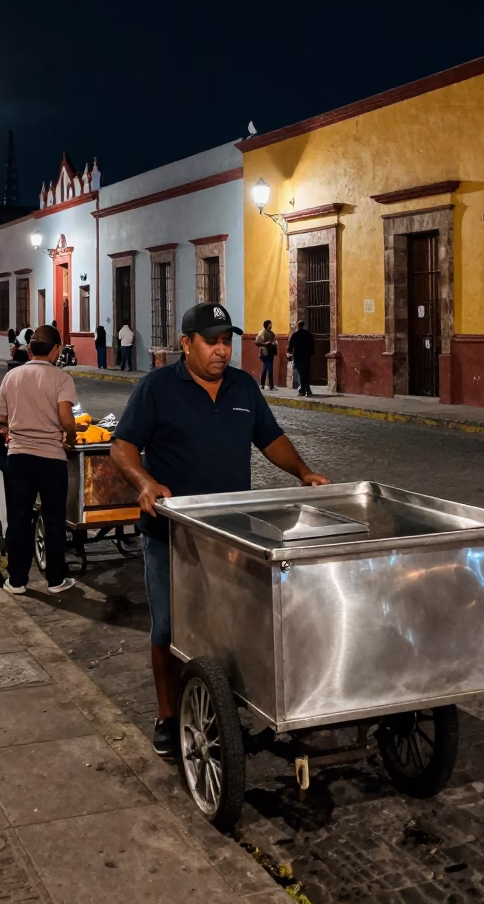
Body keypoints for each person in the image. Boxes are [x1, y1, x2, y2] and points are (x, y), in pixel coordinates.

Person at [111, 301, 330, 759]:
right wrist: (146, 483)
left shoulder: (243, 386)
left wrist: (303, 473)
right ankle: (168, 716)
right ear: (186, 344)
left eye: (227, 341)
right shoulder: (156, 388)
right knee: (169, 628)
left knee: (230, 628)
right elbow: (123, 445)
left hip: (230, 535)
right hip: (169, 534)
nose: (222, 350)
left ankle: (220, 713)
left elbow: (270, 438)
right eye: (212, 341)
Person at [0, 325, 77, 595]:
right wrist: (72, 434)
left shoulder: (12, 376)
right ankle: (55, 580)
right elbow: (66, 418)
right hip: (51, 458)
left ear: (30, 349)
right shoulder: (61, 378)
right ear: (56, 349)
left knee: (19, 518)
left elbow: (0, 417)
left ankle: (16, 580)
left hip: (18, 457)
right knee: (53, 518)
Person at [288, 320, 315, 397]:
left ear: (297, 325)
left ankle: (304, 390)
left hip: (298, 356)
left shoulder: (295, 334)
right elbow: (312, 344)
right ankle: (306, 390)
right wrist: (312, 353)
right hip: (307, 356)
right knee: (305, 373)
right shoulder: (308, 334)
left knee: (301, 373)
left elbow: (290, 345)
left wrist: (289, 353)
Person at [255, 318, 278, 391]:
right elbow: (257, 343)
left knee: (266, 368)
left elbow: (274, 341)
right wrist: (267, 343)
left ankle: (262, 384)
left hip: (271, 352)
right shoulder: (261, 333)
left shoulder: (272, 333)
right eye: (270, 325)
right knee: (269, 368)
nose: (271, 326)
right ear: (266, 325)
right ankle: (271, 385)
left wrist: (274, 344)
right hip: (264, 353)